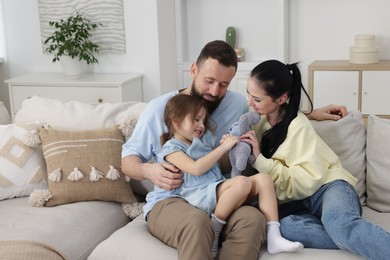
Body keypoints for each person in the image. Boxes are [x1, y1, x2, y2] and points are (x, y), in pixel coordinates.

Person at [121, 39, 348, 260]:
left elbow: (268, 111)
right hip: (173, 198)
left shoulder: (237, 103)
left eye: (223, 84)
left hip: (216, 192)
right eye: (209, 80)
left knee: (253, 219)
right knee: (196, 223)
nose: (214, 90)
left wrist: (312, 114)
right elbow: (128, 161)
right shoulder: (160, 109)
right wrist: (149, 171)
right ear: (193, 70)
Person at [240, 59, 390, 260]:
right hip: (298, 203)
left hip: (328, 186)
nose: (249, 102)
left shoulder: (299, 127)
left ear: (282, 98)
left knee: (339, 224)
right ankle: (348, 237)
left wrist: (259, 159)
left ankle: (347, 232)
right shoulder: (258, 119)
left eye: (257, 99)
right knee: (286, 228)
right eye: (248, 94)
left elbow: (304, 181)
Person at [146, 94, 303, 257]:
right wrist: (222, 148)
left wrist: (232, 146)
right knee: (241, 183)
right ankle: (215, 228)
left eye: (203, 121)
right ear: (175, 120)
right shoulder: (171, 148)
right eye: (196, 119)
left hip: (214, 191)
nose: (201, 125)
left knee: (264, 179)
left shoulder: (203, 143)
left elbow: (219, 166)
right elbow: (196, 168)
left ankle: (273, 235)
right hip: (199, 194)